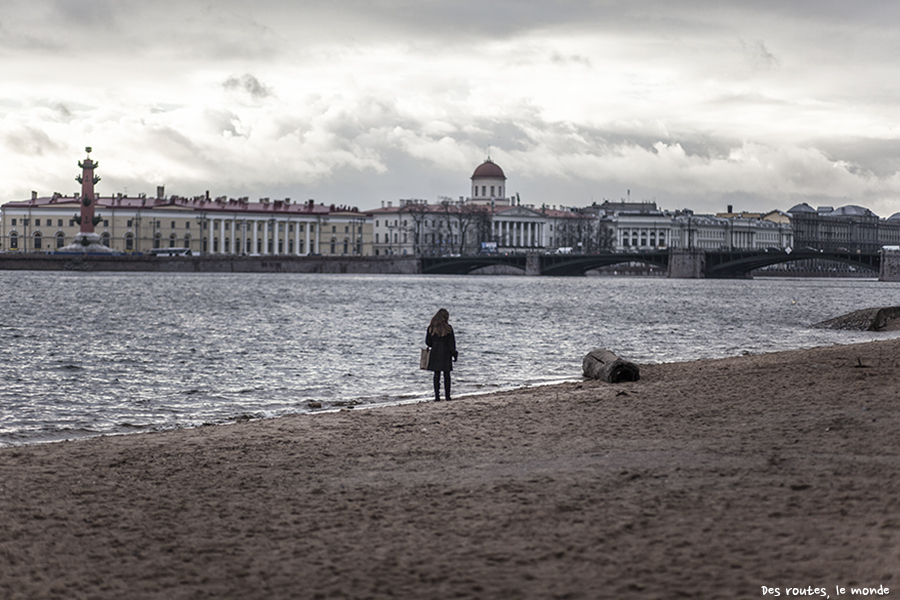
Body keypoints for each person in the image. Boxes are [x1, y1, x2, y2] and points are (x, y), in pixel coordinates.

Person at [425, 308, 458, 401]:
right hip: (446, 354)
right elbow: (452, 343)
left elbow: (428, 342)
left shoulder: (431, 328)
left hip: (435, 353)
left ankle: (437, 397)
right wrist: (454, 354)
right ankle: (447, 396)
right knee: (447, 375)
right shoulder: (448, 328)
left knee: (436, 375)